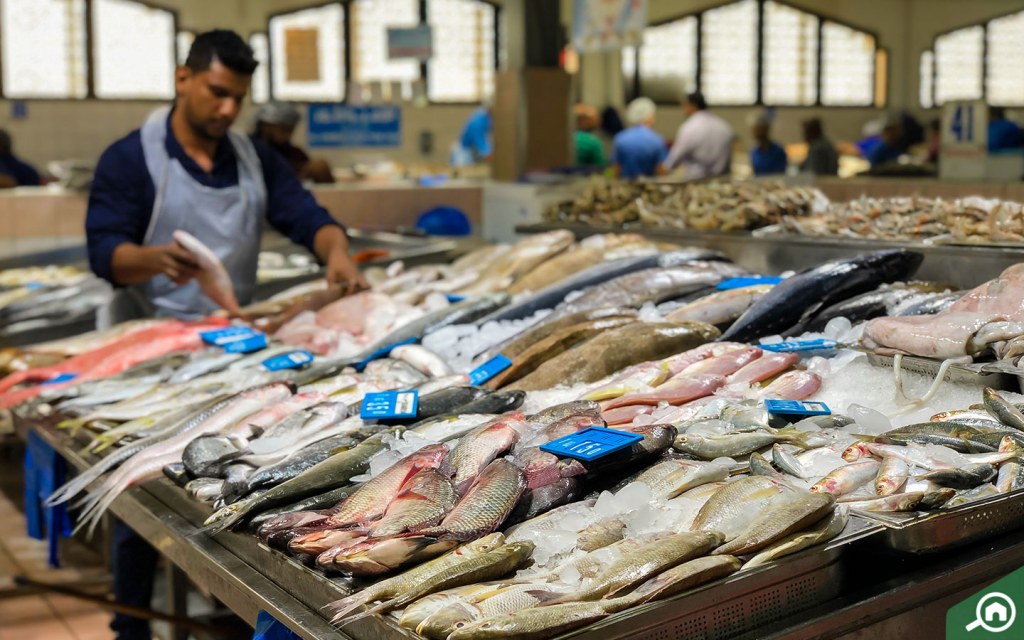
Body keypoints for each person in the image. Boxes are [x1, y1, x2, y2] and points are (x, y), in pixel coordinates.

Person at [85, 30, 367, 640]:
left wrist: (335, 251)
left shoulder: (253, 158)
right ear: (183, 78)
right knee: (145, 483)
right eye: (217, 93)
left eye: (238, 98)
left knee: (222, 470)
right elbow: (104, 251)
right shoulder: (130, 158)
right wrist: (152, 258)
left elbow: (306, 217)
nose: (228, 110)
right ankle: (130, 624)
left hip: (233, 340)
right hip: (154, 340)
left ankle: (228, 607)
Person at [252, 101, 334, 183]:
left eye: (290, 129)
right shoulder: (251, 151)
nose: (288, 134)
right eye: (284, 128)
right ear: (265, 126)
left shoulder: (294, 154)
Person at [664, 92, 733, 179]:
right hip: (722, 183)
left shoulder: (689, 128)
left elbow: (675, 159)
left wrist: (665, 168)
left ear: (692, 105)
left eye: (685, 105)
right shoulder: (724, 126)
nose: (683, 110)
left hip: (697, 183)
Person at [611, 97, 667, 179]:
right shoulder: (657, 140)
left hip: (625, 187)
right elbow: (661, 170)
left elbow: (615, 169)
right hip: (650, 188)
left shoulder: (620, 138)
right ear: (650, 117)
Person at [749, 112, 787, 176]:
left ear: (766, 129)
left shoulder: (778, 151)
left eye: (758, 129)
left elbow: (780, 173)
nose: (755, 132)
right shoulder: (754, 152)